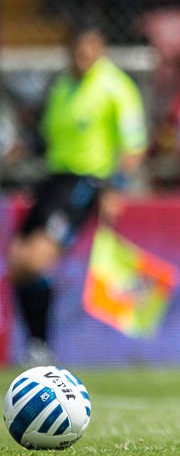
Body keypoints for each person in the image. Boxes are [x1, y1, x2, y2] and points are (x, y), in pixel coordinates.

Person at [5, 26, 147, 364]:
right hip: (52, 180)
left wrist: (116, 188)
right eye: (77, 52)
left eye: (89, 52)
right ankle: (37, 344)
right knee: (17, 261)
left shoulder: (116, 87)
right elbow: (49, 134)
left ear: (101, 50)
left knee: (36, 260)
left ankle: (41, 346)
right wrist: (24, 148)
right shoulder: (62, 85)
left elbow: (133, 146)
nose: (82, 58)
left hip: (86, 183)